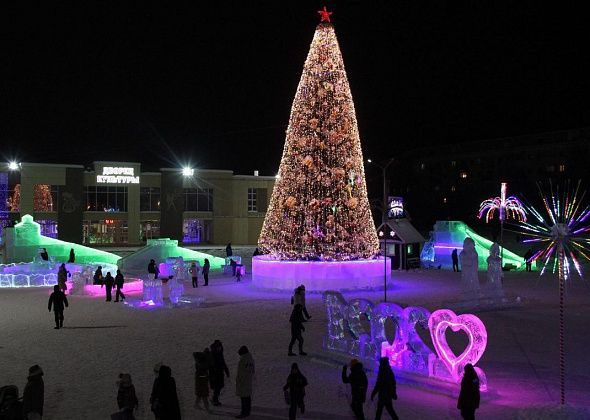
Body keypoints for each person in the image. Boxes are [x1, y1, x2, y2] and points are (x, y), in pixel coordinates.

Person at [235, 345, 255, 419]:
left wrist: (239, 381)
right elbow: (253, 371)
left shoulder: (243, 360)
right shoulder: (251, 359)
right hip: (248, 381)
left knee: (243, 398)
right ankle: (247, 411)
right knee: (247, 397)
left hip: (243, 382)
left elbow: (240, 373)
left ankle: (244, 413)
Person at [210, 339, 230, 406]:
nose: (219, 348)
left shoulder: (220, 353)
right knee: (217, 387)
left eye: (220, 346)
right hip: (215, 374)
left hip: (220, 373)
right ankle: (214, 400)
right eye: (218, 347)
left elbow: (223, 362)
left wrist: (226, 371)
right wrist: (213, 373)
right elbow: (211, 365)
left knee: (220, 386)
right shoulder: (213, 354)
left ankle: (214, 399)